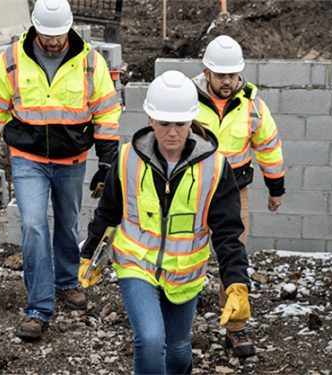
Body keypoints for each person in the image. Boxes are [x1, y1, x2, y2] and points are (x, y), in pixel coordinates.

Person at [78, 70, 252, 374]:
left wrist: (236, 282)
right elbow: (108, 212)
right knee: (149, 338)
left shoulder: (215, 167)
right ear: (150, 120)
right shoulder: (127, 158)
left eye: (180, 124)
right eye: (164, 124)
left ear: (192, 121)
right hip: (135, 264)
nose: (172, 132)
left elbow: (228, 232)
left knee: (178, 348)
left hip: (185, 273)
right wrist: (89, 254)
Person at [0, 0, 121, 340]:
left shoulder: (89, 63)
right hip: (28, 158)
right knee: (34, 225)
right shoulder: (11, 61)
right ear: (34, 28)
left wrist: (107, 162)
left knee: (67, 223)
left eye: (59, 34)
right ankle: (39, 307)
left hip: (72, 161)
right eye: (46, 35)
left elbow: (107, 114)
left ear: (69, 28)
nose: (53, 42)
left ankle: (67, 281)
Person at [194, 35, 285, 355]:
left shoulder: (252, 105)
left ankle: (236, 327)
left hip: (234, 194)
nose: (228, 81)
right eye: (221, 75)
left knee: (235, 260)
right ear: (206, 72)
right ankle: (173, 322)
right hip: (190, 194)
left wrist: (276, 188)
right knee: (184, 257)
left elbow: (269, 147)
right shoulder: (187, 100)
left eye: (233, 75)